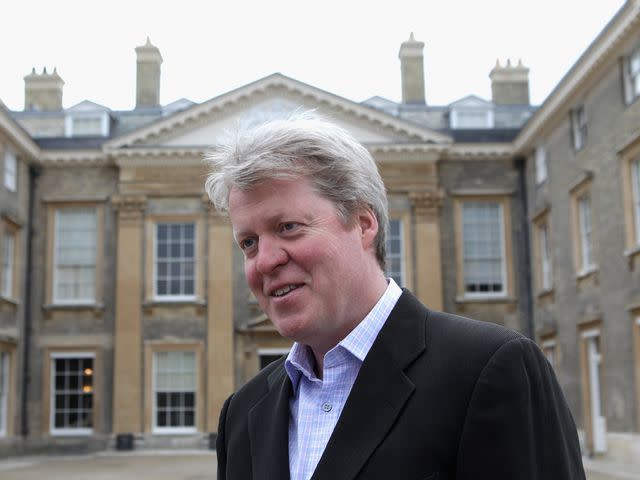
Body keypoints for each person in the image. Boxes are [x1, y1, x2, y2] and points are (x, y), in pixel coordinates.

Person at [205, 113, 585, 480]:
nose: (265, 261)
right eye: (249, 243)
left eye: (288, 227)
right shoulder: (242, 411)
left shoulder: (491, 369)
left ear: (363, 223)